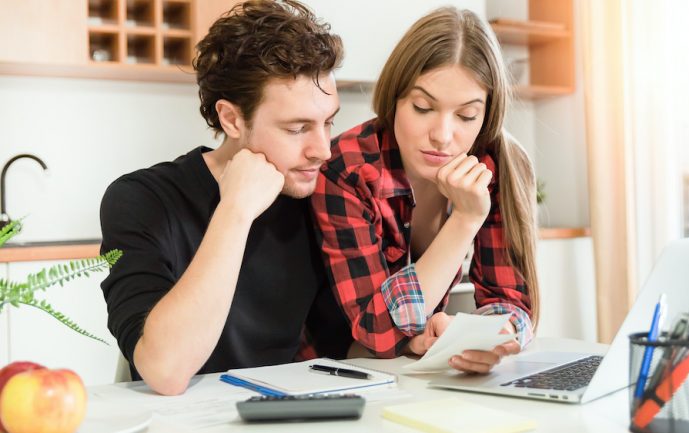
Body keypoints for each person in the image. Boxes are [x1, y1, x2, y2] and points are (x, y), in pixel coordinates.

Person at [99, 0, 350, 396]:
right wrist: (235, 210)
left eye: (328, 122)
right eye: (298, 128)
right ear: (232, 119)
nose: (323, 149)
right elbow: (165, 370)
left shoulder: (320, 196)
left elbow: (345, 348)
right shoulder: (142, 199)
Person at [312, 6, 540, 374]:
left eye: (466, 116)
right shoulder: (347, 168)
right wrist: (465, 219)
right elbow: (378, 333)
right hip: (328, 370)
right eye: (422, 107)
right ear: (395, 99)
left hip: (415, 371)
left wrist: (493, 336)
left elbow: (510, 302)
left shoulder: (495, 164)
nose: (442, 136)